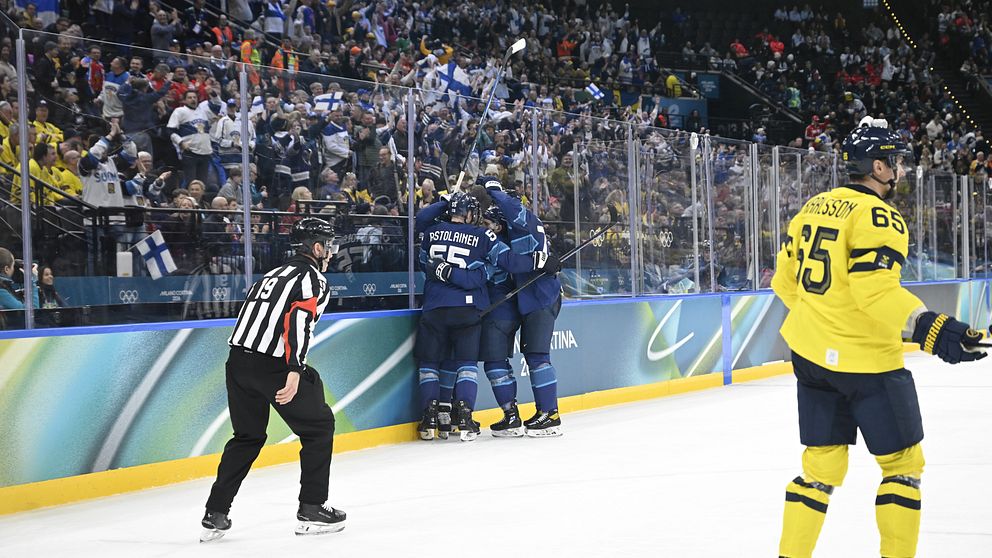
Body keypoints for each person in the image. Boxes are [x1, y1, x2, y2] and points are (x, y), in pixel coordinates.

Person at [771, 121, 987, 558]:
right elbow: (875, 290)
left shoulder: (813, 206)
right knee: (903, 467)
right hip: (867, 364)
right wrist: (931, 328)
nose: (901, 170)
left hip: (810, 357)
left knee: (820, 468)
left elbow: (784, 284)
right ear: (877, 166)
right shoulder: (879, 216)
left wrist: (826, 322)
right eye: (897, 162)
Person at [202, 217, 345, 542]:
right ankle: (312, 508)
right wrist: (294, 369)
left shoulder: (271, 275)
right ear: (317, 247)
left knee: (247, 436)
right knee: (320, 426)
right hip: (275, 366)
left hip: (238, 361)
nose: (331, 253)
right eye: (329, 246)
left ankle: (215, 512)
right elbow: (298, 321)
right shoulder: (313, 278)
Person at [413, 192, 549, 441]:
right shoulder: (481, 236)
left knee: (430, 363)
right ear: (470, 214)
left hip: (433, 306)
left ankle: (430, 417)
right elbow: (507, 262)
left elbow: (423, 253)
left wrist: (444, 201)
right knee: (466, 363)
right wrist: (539, 260)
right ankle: (464, 418)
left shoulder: (432, 232)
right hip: (468, 309)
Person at [483, 177, 564, 436]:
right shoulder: (519, 232)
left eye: (491, 223)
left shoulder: (523, 220)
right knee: (531, 357)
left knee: (537, 357)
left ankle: (550, 414)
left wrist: (493, 189)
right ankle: (518, 415)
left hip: (541, 298)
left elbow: (512, 209)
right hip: (532, 298)